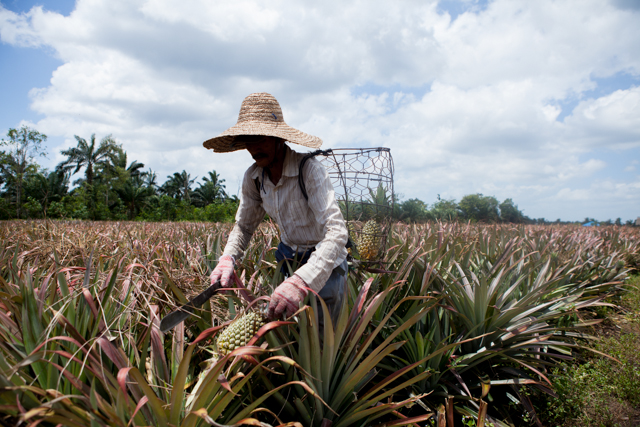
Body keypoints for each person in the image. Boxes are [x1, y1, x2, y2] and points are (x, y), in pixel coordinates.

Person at [203, 92, 348, 324]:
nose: (254, 148)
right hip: (289, 261)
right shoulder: (254, 177)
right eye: (248, 140)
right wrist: (228, 257)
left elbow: (337, 232)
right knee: (288, 332)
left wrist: (302, 281)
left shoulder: (310, 171)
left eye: (260, 138)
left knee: (322, 341)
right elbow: (244, 226)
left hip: (324, 265)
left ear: (279, 138)